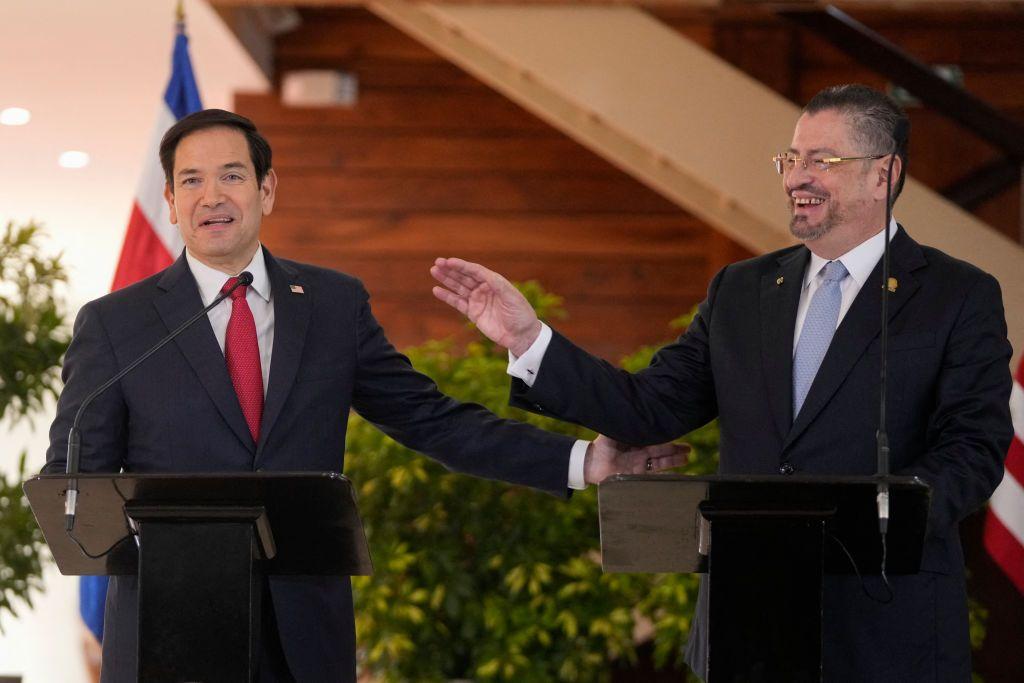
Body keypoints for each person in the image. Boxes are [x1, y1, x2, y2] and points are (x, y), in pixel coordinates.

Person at [43, 108, 685, 683]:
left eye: (232, 176)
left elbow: (433, 421)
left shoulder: (332, 305)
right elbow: (75, 481)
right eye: (192, 180)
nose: (212, 196)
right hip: (169, 632)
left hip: (305, 633)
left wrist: (583, 462)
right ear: (171, 199)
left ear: (267, 189)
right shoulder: (116, 324)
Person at [431, 84, 1014, 681]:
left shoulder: (957, 295)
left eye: (822, 161)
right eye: (791, 159)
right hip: (746, 624)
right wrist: (529, 340)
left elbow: (972, 448)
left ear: (884, 174)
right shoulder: (740, 289)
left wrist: (884, 514)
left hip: (886, 628)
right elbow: (645, 408)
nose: (796, 177)